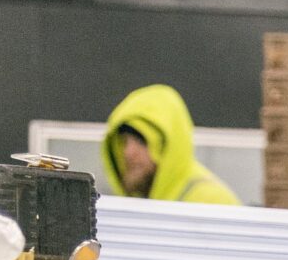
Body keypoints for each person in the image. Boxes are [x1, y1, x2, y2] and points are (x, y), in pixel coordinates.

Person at [102, 84, 240, 206]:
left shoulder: (211, 201)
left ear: (168, 146)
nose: (128, 152)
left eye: (141, 141)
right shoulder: (133, 208)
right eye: (124, 142)